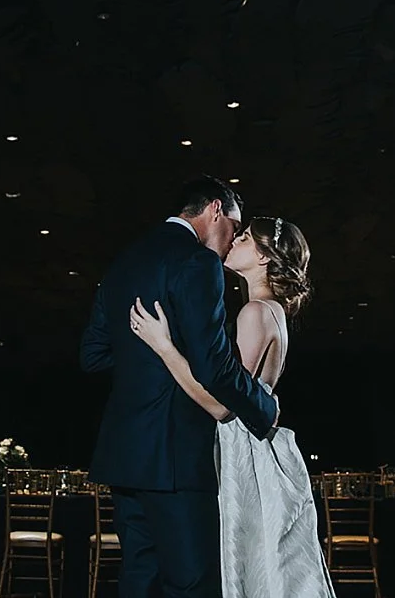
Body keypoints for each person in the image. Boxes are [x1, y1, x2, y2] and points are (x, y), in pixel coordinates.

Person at [80, 176, 279, 598]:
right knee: (189, 584)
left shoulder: (125, 261)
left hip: (126, 454)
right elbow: (215, 366)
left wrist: (151, 352)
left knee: (139, 578)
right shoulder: (197, 262)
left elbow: (93, 354)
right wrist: (262, 406)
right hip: (175, 454)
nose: (230, 242)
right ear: (215, 210)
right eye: (234, 228)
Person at [128, 215, 337, 598]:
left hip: (246, 456)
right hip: (259, 450)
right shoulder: (273, 312)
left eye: (243, 238)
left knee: (245, 570)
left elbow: (219, 404)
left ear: (262, 257)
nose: (233, 241)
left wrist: (163, 346)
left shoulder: (255, 312)